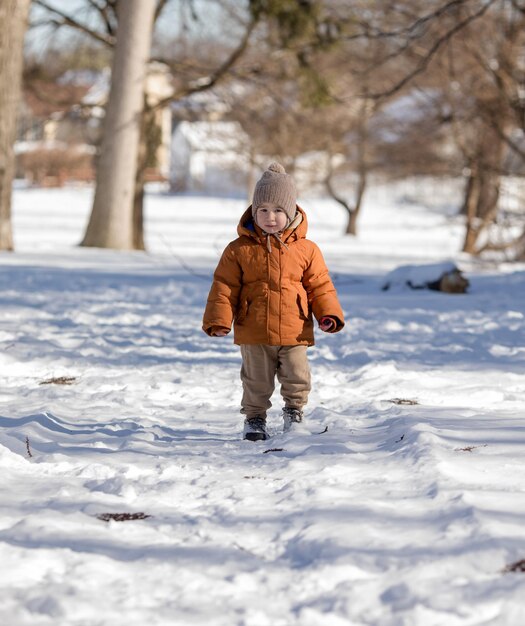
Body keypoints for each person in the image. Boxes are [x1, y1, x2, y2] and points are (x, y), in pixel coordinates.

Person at [202, 162, 345, 441]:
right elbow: (224, 287)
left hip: (295, 328)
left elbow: (320, 286)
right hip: (254, 329)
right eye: (263, 210)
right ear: (254, 212)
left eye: (278, 210)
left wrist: (327, 315)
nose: (270, 217)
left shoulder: (307, 249)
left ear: (291, 211)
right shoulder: (238, 250)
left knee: (297, 375)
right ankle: (255, 418)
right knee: (256, 379)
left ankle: (294, 412)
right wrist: (219, 320)